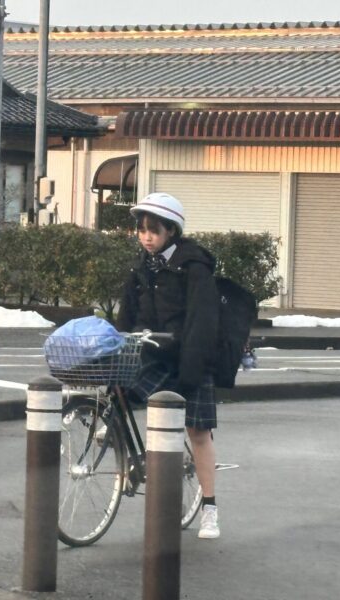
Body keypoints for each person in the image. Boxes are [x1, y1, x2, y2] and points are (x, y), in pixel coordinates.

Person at [116, 192, 221, 539]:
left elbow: (202, 322)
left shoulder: (194, 266)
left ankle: (209, 509)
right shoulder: (142, 267)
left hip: (191, 357)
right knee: (118, 387)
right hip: (156, 354)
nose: (146, 238)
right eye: (141, 230)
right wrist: (117, 346)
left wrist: (191, 372)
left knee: (198, 433)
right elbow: (128, 315)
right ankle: (120, 441)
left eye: (154, 231)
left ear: (171, 231)